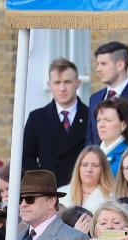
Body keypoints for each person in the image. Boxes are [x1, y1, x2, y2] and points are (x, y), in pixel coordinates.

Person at [23, 58, 89, 187]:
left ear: (78, 83)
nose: (62, 88)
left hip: (81, 189)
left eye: (67, 82)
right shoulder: (37, 118)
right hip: (49, 190)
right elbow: (26, 157)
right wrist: (42, 181)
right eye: (57, 83)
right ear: (49, 85)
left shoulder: (91, 116)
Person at [87, 41, 128, 146]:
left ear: (120, 65)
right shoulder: (94, 98)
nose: (98, 69)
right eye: (97, 64)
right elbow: (90, 141)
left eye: (103, 64)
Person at [59, 146, 115, 213]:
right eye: (85, 165)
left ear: (103, 169)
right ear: (78, 168)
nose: (89, 170)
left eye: (95, 165)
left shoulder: (112, 197)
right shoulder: (61, 194)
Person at [96, 97, 128, 177]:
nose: (101, 125)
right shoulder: (94, 153)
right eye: (98, 120)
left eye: (107, 120)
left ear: (123, 125)